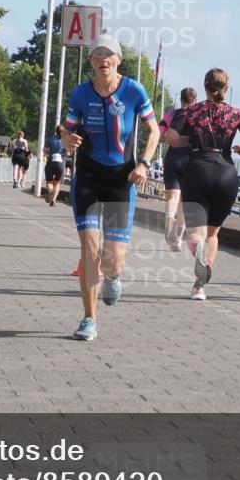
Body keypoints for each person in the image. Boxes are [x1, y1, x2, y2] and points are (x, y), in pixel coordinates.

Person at [62, 34, 158, 340]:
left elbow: (154, 131)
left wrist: (144, 164)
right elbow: (66, 130)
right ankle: (89, 319)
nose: (103, 59)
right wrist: (67, 139)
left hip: (121, 180)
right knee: (90, 251)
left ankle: (114, 276)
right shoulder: (80, 93)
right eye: (97, 54)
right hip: (88, 178)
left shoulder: (133, 90)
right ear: (91, 61)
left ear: (118, 60)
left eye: (109, 54)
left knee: (112, 259)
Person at [165, 69, 240, 300]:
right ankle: (199, 286)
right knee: (213, 233)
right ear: (226, 88)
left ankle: (198, 253)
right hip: (226, 175)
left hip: (197, 170)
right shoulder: (236, 114)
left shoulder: (192, 111)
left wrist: (189, 140)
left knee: (195, 234)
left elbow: (170, 136)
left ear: (205, 87)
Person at [159, 87, 198, 251]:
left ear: (181, 100)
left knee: (172, 196)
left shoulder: (171, 115)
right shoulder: (199, 116)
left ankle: (169, 222)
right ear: (195, 100)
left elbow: (159, 137)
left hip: (173, 158)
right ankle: (178, 240)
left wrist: (172, 138)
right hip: (191, 160)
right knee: (184, 201)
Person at [43, 124, 66, 206]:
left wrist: (49, 153)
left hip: (50, 162)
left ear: (56, 131)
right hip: (60, 163)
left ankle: (50, 193)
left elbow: (44, 150)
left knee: (49, 181)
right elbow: (68, 153)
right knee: (57, 182)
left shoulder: (49, 139)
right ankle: (53, 200)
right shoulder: (64, 140)